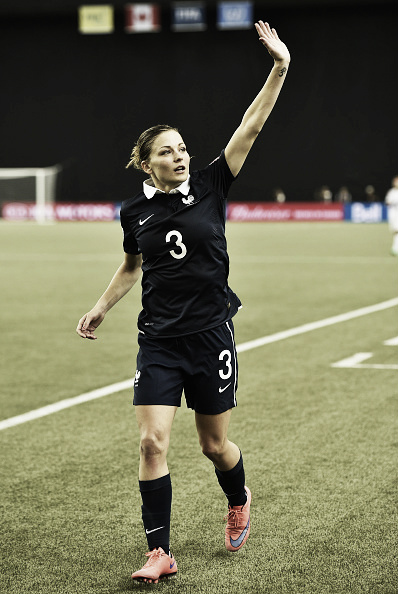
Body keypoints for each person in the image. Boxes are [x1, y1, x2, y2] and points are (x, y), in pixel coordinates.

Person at [76, 20, 290, 584]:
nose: (181, 156)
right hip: (160, 339)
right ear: (146, 164)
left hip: (211, 334)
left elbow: (250, 126)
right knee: (151, 441)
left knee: (214, 445)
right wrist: (102, 306)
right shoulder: (133, 212)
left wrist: (279, 67)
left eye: (183, 149)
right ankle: (159, 553)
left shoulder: (214, 184)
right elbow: (132, 266)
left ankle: (238, 495)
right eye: (167, 152)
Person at [385, 175, 398, 256]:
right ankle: (394, 248)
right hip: (393, 215)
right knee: (395, 232)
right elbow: (387, 202)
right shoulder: (391, 192)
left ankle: (395, 248)